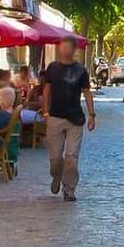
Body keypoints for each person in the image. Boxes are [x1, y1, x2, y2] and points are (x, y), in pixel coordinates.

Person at [39, 37, 95, 201]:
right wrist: (45, 111)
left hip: (75, 119)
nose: (63, 50)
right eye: (61, 47)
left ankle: (69, 189)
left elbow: (87, 92)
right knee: (55, 157)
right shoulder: (53, 68)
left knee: (71, 156)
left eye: (67, 47)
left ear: (73, 50)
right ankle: (57, 176)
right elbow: (47, 89)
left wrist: (92, 115)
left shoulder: (80, 71)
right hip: (55, 116)